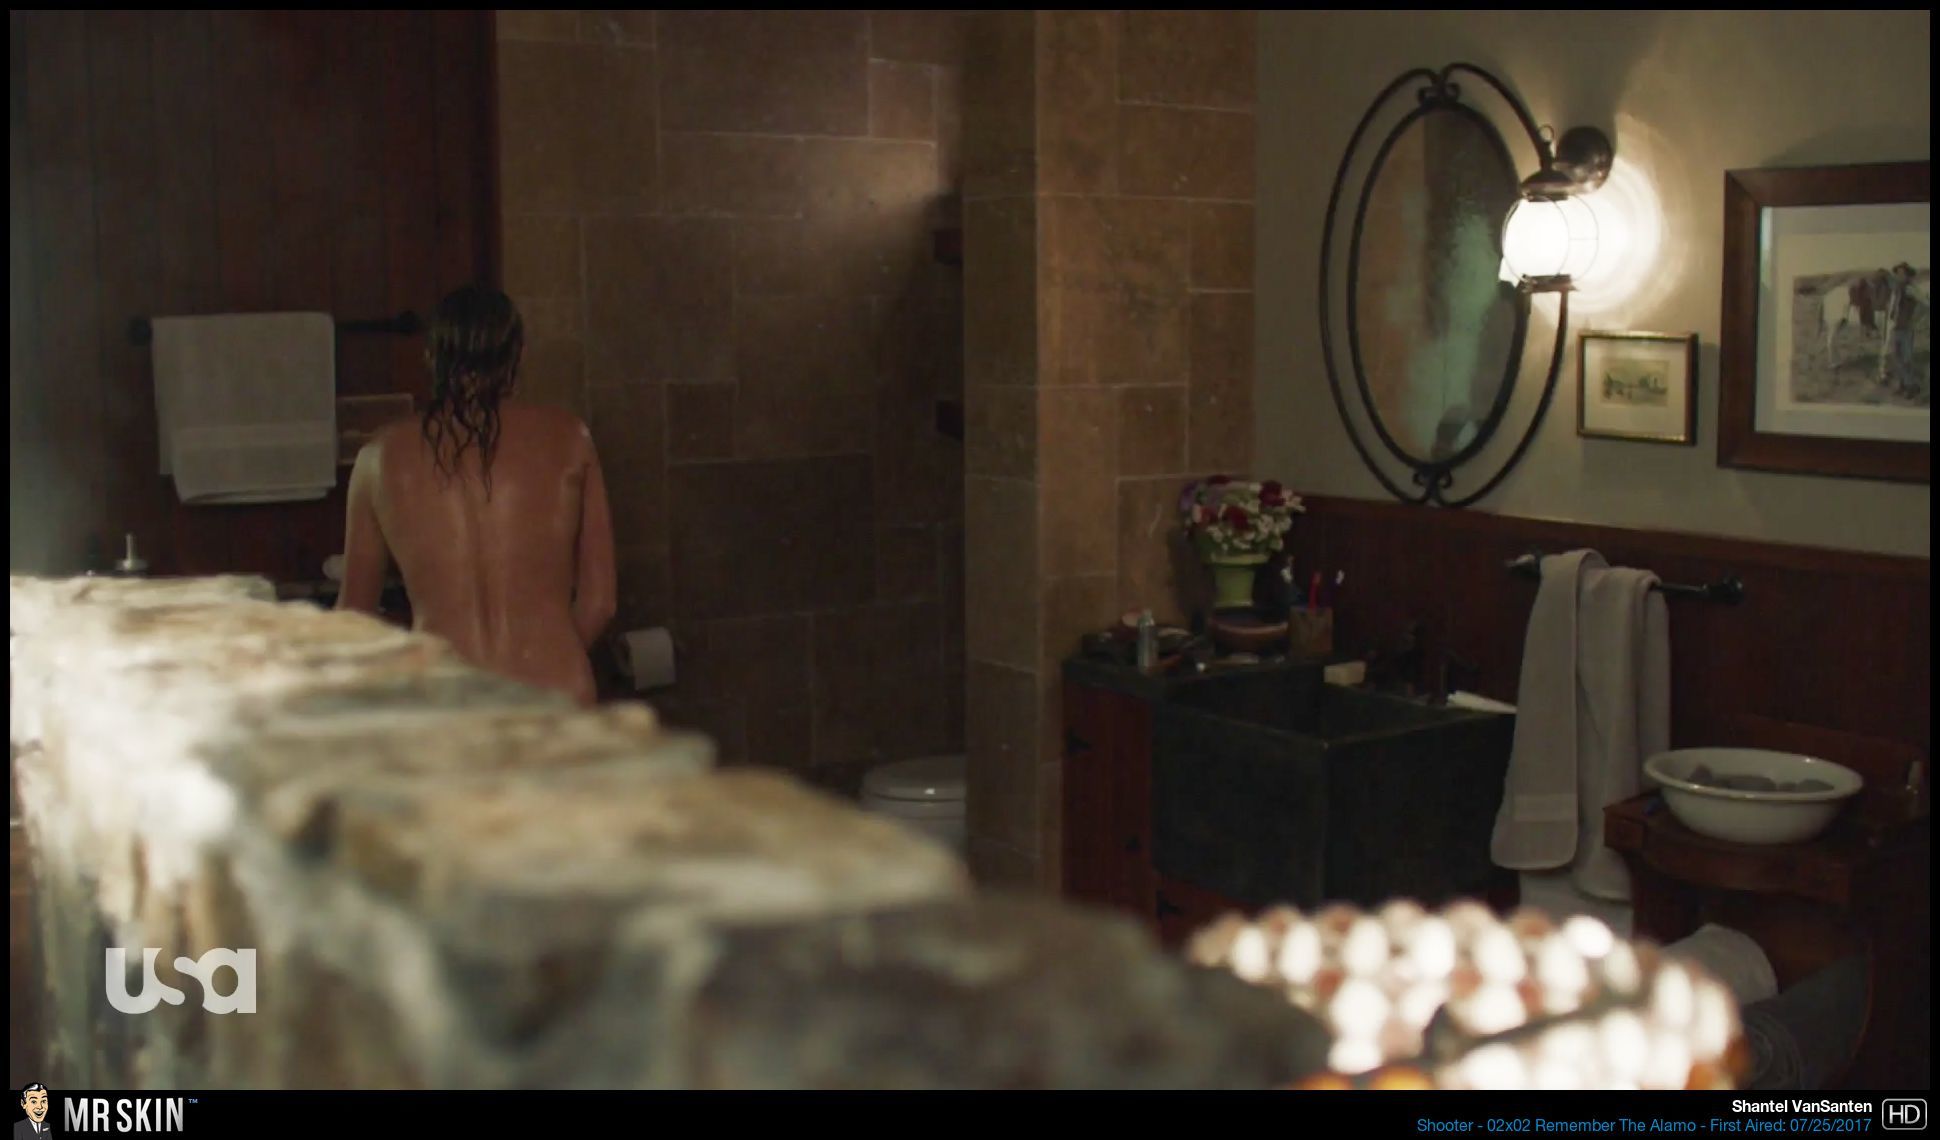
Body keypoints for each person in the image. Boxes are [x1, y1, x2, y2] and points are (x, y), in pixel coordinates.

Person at [337, 285, 616, 706]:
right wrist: (552, 659)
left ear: (431, 357)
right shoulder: (570, 438)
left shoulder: (378, 458)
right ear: (518, 354)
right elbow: (600, 602)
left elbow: (353, 620)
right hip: (555, 691)